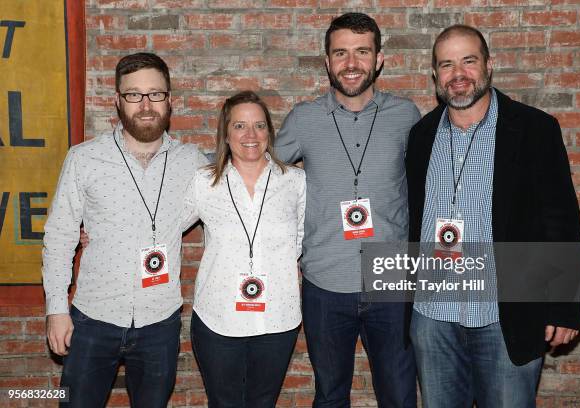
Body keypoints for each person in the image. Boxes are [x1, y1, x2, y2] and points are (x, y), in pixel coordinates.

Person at [405, 25, 580, 407]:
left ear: (489, 65)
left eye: (468, 61)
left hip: (506, 317)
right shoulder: (420, 136)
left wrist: (565, 306)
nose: (458, 74)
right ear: (435, 75)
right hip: (433, 318)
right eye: (446, 64)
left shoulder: (535, 130)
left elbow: (562, 221)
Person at [43, 52, 207, 408]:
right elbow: (59, 236)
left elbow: (235, 201)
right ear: (117, 101)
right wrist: (56, 310)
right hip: (92, 319)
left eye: (155, 94)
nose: (145, 105)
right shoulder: (83, 158)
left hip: (159, 323)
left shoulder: (194, 162)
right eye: (134, 94)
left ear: (170, 100)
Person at [275, 12, 421, 407]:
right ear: (327, 61)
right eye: (341, 53)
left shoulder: (407, 116)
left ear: (379, 59)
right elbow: (254, 167)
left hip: (390, 278)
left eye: (361, 52)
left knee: (399, 392)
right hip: (325, 280)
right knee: (330, 393)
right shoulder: (304, 119)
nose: (351, 63)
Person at [182, 90, 306, 408]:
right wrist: (96, 233)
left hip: (278, 318)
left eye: (259, 125)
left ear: (269, 132)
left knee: (263, 403)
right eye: (239, 126)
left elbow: (301, 240)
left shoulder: (295, 181)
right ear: (226, 133)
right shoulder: (203, 182)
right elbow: (165, 228)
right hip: (218, 317)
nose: (250, 135)